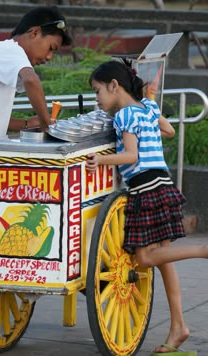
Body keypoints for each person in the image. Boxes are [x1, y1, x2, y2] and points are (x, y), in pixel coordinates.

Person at [85, 59, 207, 354]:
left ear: (114, 86)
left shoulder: (124, 116)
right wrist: (150, 101)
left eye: (98, 91)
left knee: (144, 259)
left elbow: (129, 156)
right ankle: (179, 328)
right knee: (163, 260)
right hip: (163, 186)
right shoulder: (147, 109)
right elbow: (170, 132)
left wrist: (101, 160)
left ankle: (202, 250)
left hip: (146, 190)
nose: (97, 98)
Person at [0, 6, 71, 355]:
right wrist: (48, 127)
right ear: (33, 33)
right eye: (51, 48)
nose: (49, 57)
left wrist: (27, 124)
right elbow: (31, 80)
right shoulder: (7, 52)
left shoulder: (0, 59)